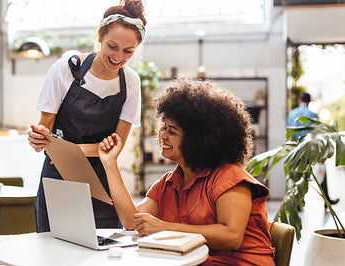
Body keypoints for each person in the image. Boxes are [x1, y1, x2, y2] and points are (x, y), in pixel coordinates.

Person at [99, 76, 276, 265]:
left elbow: (231, 236)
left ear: (198, 139)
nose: (163, 135)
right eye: (164, 128)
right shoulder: (169, 182)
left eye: (172, 131)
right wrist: (110, 163)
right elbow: (131, 222)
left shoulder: (230, 176)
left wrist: (163, 228)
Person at [27, 0, 146, 232]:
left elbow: (117, 144)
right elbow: (44, 129)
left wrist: (75, 151)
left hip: (103, 179)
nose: (118, 56)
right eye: (112, 46)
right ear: (100, 37)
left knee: (102, 249)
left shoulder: (130, 82)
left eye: (128, 51)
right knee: (54, 248)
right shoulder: (66, 69)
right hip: (58, 174)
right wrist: (38, 138)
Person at [286, 92, 339, 205]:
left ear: (300, 101)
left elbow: (290, 135)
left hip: (297, 149)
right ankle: (326, 201)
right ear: (309, 101)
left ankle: (298, 203)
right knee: (321, 174)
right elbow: (316, 134)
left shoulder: (291, 114)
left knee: (297, 175)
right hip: (311, 149)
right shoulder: (313, 115)